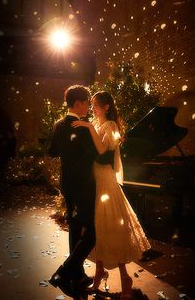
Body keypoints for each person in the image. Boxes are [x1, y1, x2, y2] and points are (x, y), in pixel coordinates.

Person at [72, 91, 151, 300]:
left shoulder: (112, 127)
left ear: (107, 107)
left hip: (106, 181)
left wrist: (88, 127)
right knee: (98, 227)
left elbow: (101, 152)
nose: (94, 108)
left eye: (97, 105)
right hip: (94, 181)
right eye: (93, 105)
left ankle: (126, 279)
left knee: (112, 226)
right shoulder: (96, 125)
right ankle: (99, 274)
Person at [48, 85, 99, 299]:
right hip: (84, 185)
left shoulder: (59, 124)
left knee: (75, 228)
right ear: (78, 103)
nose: (88, 106)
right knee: (94, 232)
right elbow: (96, 154)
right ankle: (65, 271)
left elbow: (51, 151)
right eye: (87, 102)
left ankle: (77, 276)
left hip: (67, 184)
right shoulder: (83, 127)